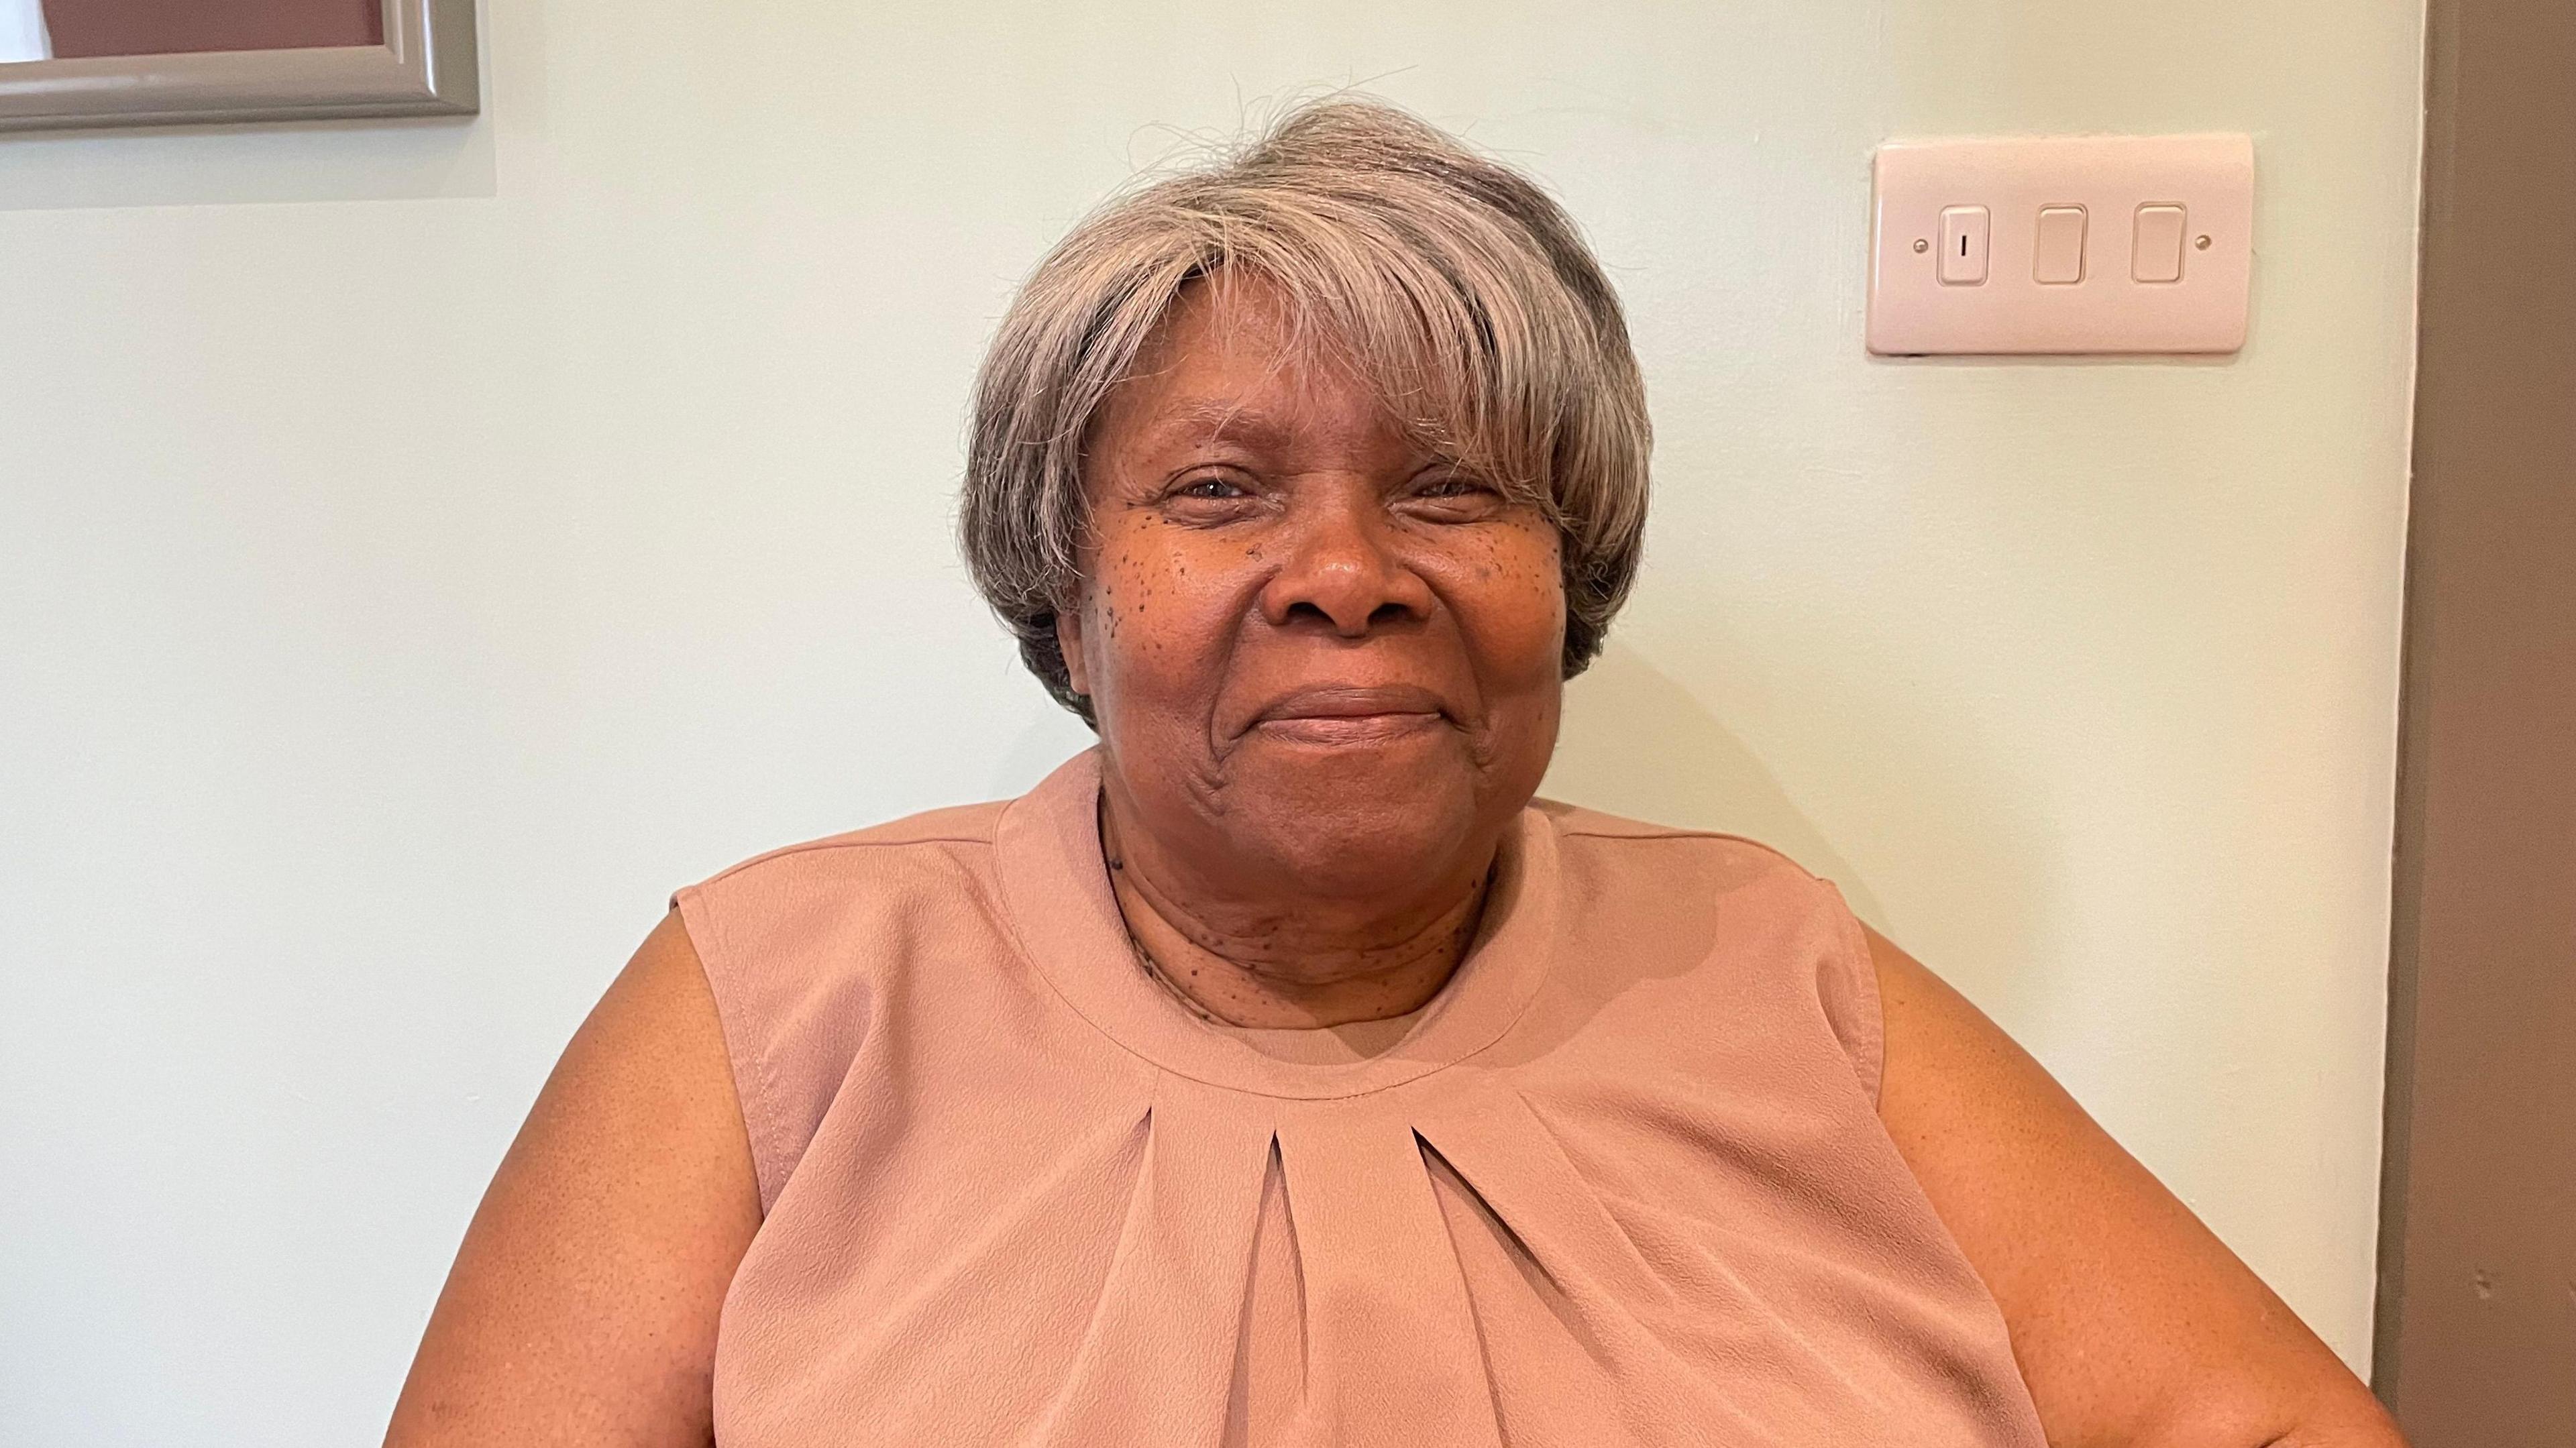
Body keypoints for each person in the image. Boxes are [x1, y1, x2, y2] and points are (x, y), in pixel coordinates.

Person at [386, 98, 2405, 1447]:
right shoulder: (776, 1001)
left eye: (1451, 485)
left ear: (1566, 573)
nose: (1347, 576)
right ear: (1063, 594)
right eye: (1218, 490)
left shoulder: (1776, 964)